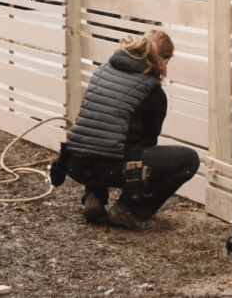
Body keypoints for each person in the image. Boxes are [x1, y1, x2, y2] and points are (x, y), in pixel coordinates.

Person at [60, 29, 200, 228]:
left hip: (75, 164)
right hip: (109, 169)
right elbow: (148, 140)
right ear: (164, 60)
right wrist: (134, 187)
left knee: (102, 135)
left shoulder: (102, 71)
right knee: (188, 159)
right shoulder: (153, 91)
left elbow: (92, 122)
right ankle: (129, 210)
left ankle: (94, 197)